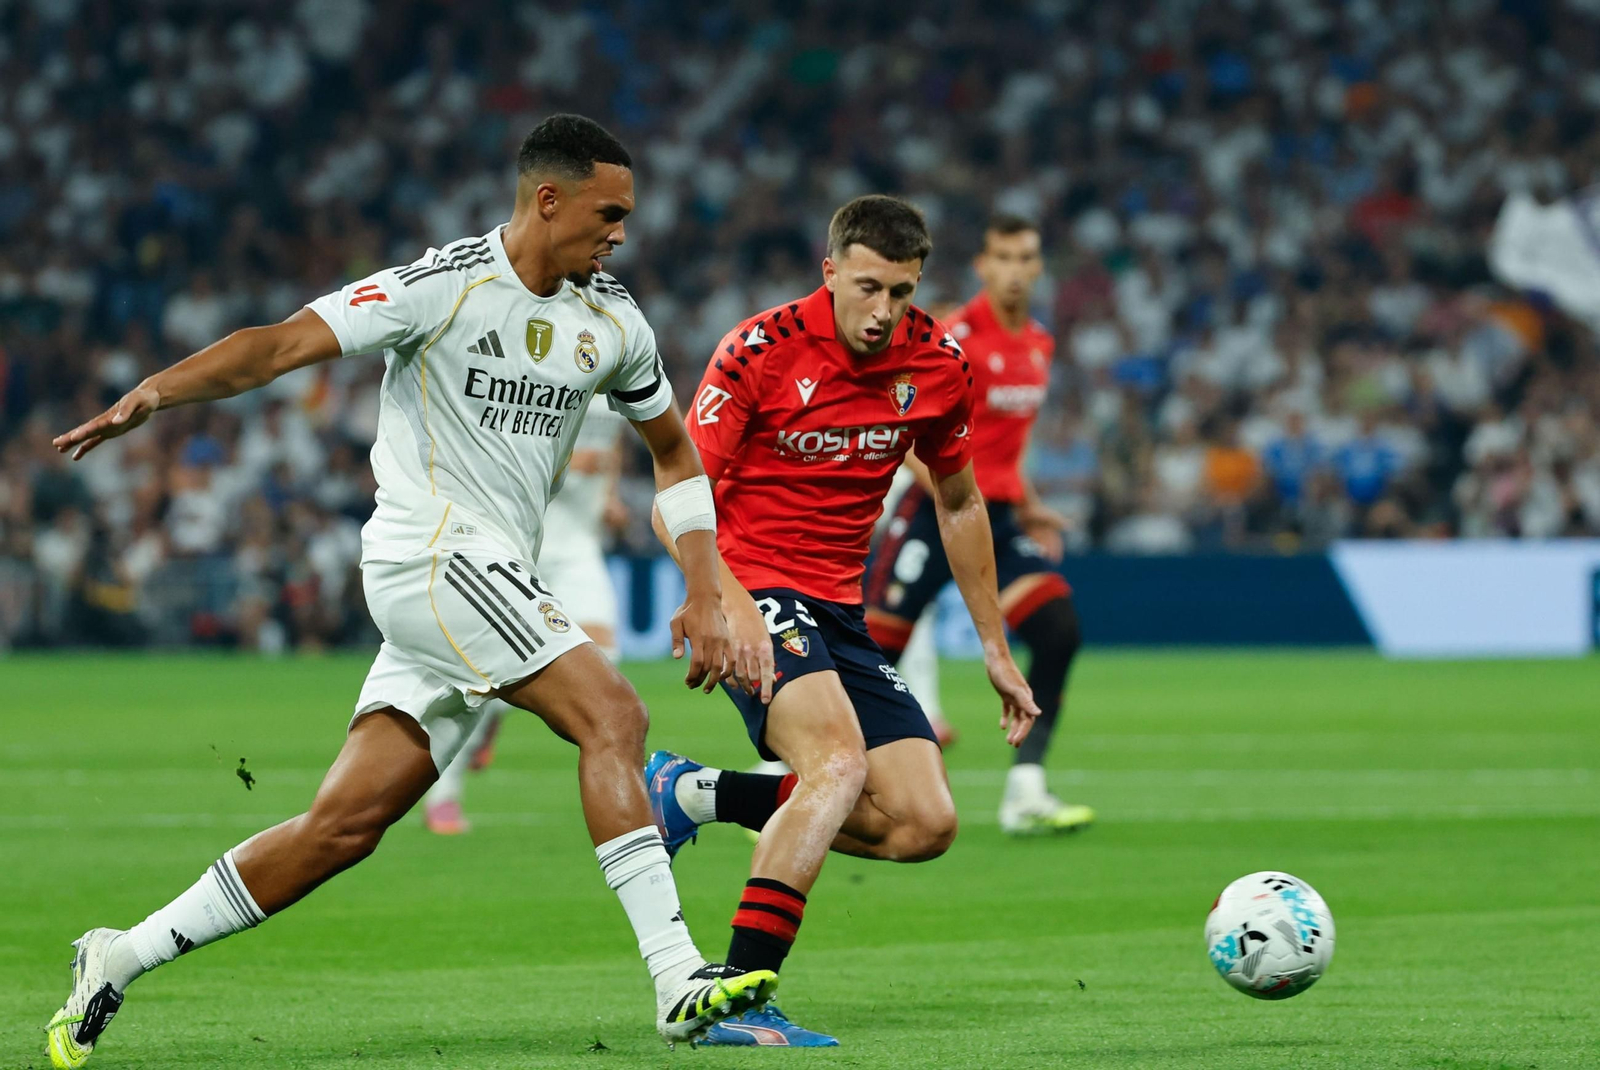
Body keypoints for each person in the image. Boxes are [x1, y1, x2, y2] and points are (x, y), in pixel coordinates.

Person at [44, 114, 776, 1069]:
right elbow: (277, 347)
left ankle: (118, 956)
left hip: (484, 579)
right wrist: (154, 391)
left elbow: (674, 452)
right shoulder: (443, 285)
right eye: (609, 213)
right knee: (613, 717)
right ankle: (678, 979)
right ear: (546, 199)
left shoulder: (614, 321)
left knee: (339, 829)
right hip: (426, 558)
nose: (621, 233)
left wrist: (703, 583)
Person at [644, 195, 1040, 1046]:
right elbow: (676, 498)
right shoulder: (758, 350)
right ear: (830, 272)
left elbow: (961, 500)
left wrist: (995, 649)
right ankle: (735, 992)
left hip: (837, 610)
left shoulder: (938, 363)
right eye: (868, 288)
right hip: (754, 585)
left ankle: (693, 792)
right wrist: (723, 598)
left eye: (901, 292)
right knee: (835, 763)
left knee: (922, 824)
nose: (883, 312)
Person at [865, 213, 1094, 836]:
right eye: (1004, 258)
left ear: (1038, 266)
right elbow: (900, 417)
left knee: (1057, 629)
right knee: (871, 652)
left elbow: (1008, 444)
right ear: (984, 267)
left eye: (1026, 258)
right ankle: (784, 777)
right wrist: (932, 484)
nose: (1015, 271)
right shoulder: (952, 336)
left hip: (993, 515)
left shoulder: (1039, 346)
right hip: (933, 510)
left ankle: (1026, 789)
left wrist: (1028, 501)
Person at [422, 406, 628, 835]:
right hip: (523, 545)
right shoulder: (546, 368)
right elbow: (503, 452)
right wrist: (570, 466)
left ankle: (498, 713)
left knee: (604, 659)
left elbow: (615, 442)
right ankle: (444, 795)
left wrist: (609, 495)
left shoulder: (618, 361)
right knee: (488, 677)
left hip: (579, 550)